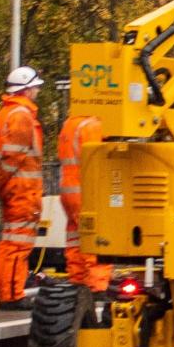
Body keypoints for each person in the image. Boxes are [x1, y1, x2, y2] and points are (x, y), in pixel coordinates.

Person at [0, 66, 45, 309]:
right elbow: (14, 157)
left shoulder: (6, 114)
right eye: (35, 88)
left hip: (16, 188)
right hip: (22, 189)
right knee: (17, 244)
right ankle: (12, 295)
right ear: (26, 89)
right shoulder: (21, 115)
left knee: (13, 242)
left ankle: (10, 293)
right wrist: (3, 183)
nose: (37, 92)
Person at [56, 108, 111, 292]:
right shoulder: (93, 126)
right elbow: (99, 161)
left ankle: (77, 282)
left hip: (68, 191)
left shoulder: (70, 123)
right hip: (86, 191)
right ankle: (97, 286)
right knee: (97, 238)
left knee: (75, 239)